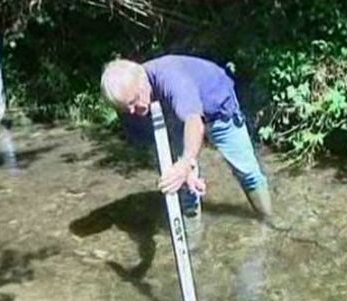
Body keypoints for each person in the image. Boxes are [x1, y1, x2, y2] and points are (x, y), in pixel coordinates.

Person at [100, 54, 272, 246]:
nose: (132, 111)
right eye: (125, 108)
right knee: (183, 187)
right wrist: (184, 171)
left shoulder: (171, 77)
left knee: (247, 171)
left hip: (216, 105)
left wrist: (186, 163)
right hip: (174, 118)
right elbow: (154, 144)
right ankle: (193, 244)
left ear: (142, 81)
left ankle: (268, 225)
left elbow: (194, 122)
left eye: (134, 101)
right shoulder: (128, 103)